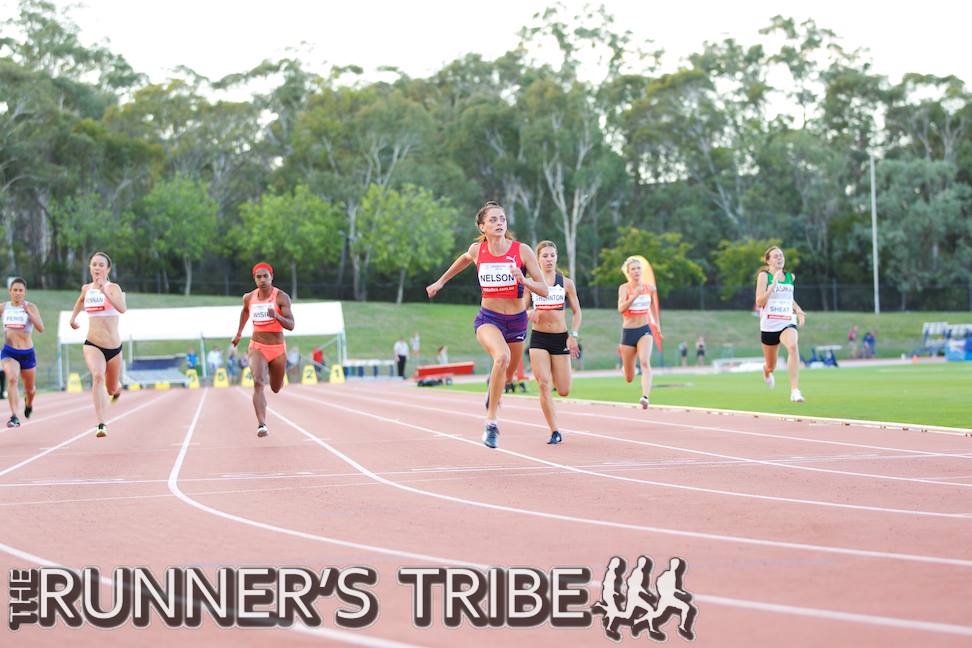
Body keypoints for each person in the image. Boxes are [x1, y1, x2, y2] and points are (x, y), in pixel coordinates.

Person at [426, 200, 548, 449]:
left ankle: (493, 390)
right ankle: (491, 423)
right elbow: (462, 260)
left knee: (509, 376)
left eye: (502, 219)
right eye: (492, 220)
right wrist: (440, 282)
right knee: (500, 358)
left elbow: (544, 290)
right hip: (488, 319)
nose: (499, 223)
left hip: (516, 321)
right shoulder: (476, 250)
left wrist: (523, 280)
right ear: (482, 226)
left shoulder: (521, 251)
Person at [525, 240, 582, 444]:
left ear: (556, 257)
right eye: (545, 256)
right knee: (543, 384)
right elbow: (520, 311)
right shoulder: (531, 282)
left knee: (564, 389)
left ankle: (557, 380)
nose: (549, 259)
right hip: (539, 339)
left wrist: (573, 334)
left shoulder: (566, 283)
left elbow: (577, 312)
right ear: (538, 259)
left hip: (560, 338)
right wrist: (530, 312)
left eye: (552, 255)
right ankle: (554, 430)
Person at [231, 262, 295, 437]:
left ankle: (278, 378)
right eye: (258, 277)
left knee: (275, 387)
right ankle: (262, 424)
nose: (262, 280)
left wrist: (277, 316)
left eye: (265, 276)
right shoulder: (249, 297)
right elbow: (245, 312)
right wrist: (238, 333)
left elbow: (291, 325)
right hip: (257, 346)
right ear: (254, 278)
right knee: (258, 382)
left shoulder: (281, 297)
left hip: (277, 349)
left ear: (271, 276)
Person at [69, 252, 126, 438]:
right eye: (94, 264)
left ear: (108, 269)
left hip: (114, 348)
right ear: (90, 267)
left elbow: (122, 308)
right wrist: (73, 318)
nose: (97, 268)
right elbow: (80, 301)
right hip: (93, 344)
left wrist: (104, 291)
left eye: (101, 265)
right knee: (97, 376)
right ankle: (101, 424)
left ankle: (116, 389)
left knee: (110, 388)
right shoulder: (86, 288)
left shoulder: (113, 287)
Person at [755, 245, 807, 402]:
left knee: (792, 346)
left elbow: (788, 298)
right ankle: (766, 370)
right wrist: (773, 285)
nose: (780, 258)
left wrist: (799, 311)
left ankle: (795, 390)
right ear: (768, 260)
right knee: (772, 365)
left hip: (786, 321)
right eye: (775, 256)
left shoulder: (791, 277)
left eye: (781, 255)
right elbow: (759, 302)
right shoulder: (764, 276)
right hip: (769, 326)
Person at [618, 256, 661, 409]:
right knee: (629, 377)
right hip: (628, 332)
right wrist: (634, 295)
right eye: (633, 269)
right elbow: (621, 309)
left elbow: (654, 308)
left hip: (644, 330)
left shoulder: (650, 288)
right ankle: (626, 367)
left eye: (638, 268)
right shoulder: (624, 288)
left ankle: (645, 396)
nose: (636, 271)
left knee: (644, 362)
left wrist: (656, 324)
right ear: (629, 272)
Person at [0, 278, 44, 427]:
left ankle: (29, 403)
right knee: (12, 379)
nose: (18, 293)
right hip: (9, 352)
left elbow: (40, 328)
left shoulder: (31, 307)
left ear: (25, 292)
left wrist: (28, 313)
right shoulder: (4, 307)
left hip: (27, 353)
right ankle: (14, 416)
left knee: (30, 389)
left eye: (20, 290)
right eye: (15, 290)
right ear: (10, 291)